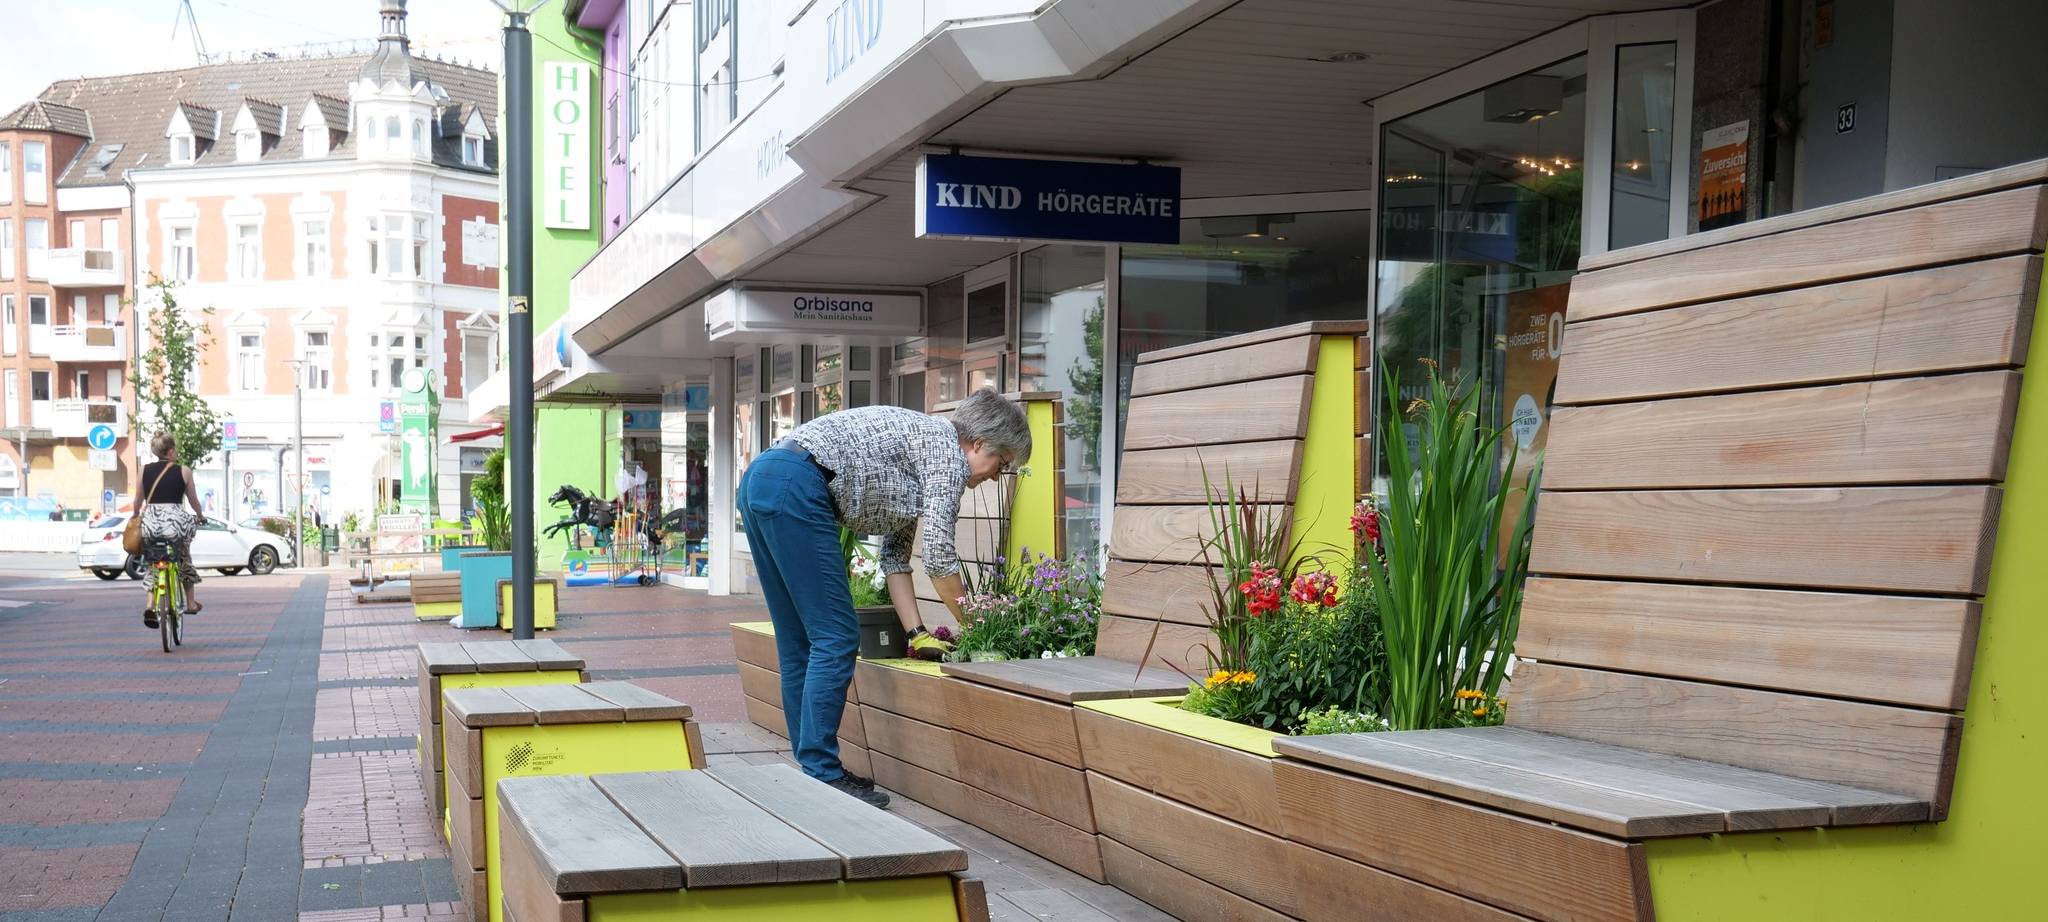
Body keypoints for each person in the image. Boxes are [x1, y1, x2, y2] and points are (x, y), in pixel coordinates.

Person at [738, 388, 1028, 808]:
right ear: (979, 443)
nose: (996, 476)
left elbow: (896, 559)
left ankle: (813, 769)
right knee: (836, 637)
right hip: (797, 485)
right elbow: (942, 560)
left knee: (800, 639)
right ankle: (821, 773)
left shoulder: (923, 453)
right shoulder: (946, 455)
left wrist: (918, 632)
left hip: (765, 478)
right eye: (1001, 464)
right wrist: (981, 626)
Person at [139, 432, 206, 627]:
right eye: (174, 449)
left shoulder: (144, 470)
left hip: (150, 523)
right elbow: (193, 501)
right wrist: (200, 515)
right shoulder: (183, 471)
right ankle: (191, 602)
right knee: (183, 557)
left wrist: (136, 515)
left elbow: (137, 500)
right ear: (170, 451)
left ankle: (150, 605)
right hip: (175, 525)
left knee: (153, 561)